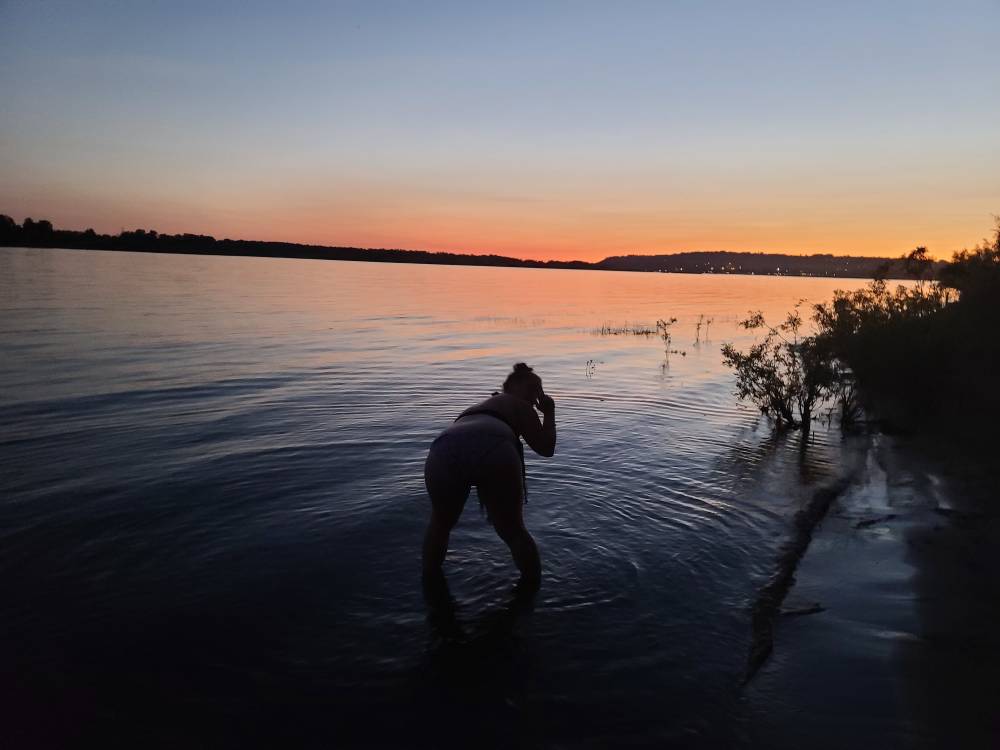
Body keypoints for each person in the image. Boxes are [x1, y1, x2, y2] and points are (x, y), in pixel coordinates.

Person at [422, 363, 556, 583]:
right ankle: (532, 589)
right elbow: (546, 448)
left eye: (540, 392)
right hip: (495, 445)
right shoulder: (519, 405)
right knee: (513, 531)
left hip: (444, 446)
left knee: (440, 524)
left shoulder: (479, 407)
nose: (537, 398)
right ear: (512, 389)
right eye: (534, 390)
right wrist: (549, 412)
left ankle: (430, 584)